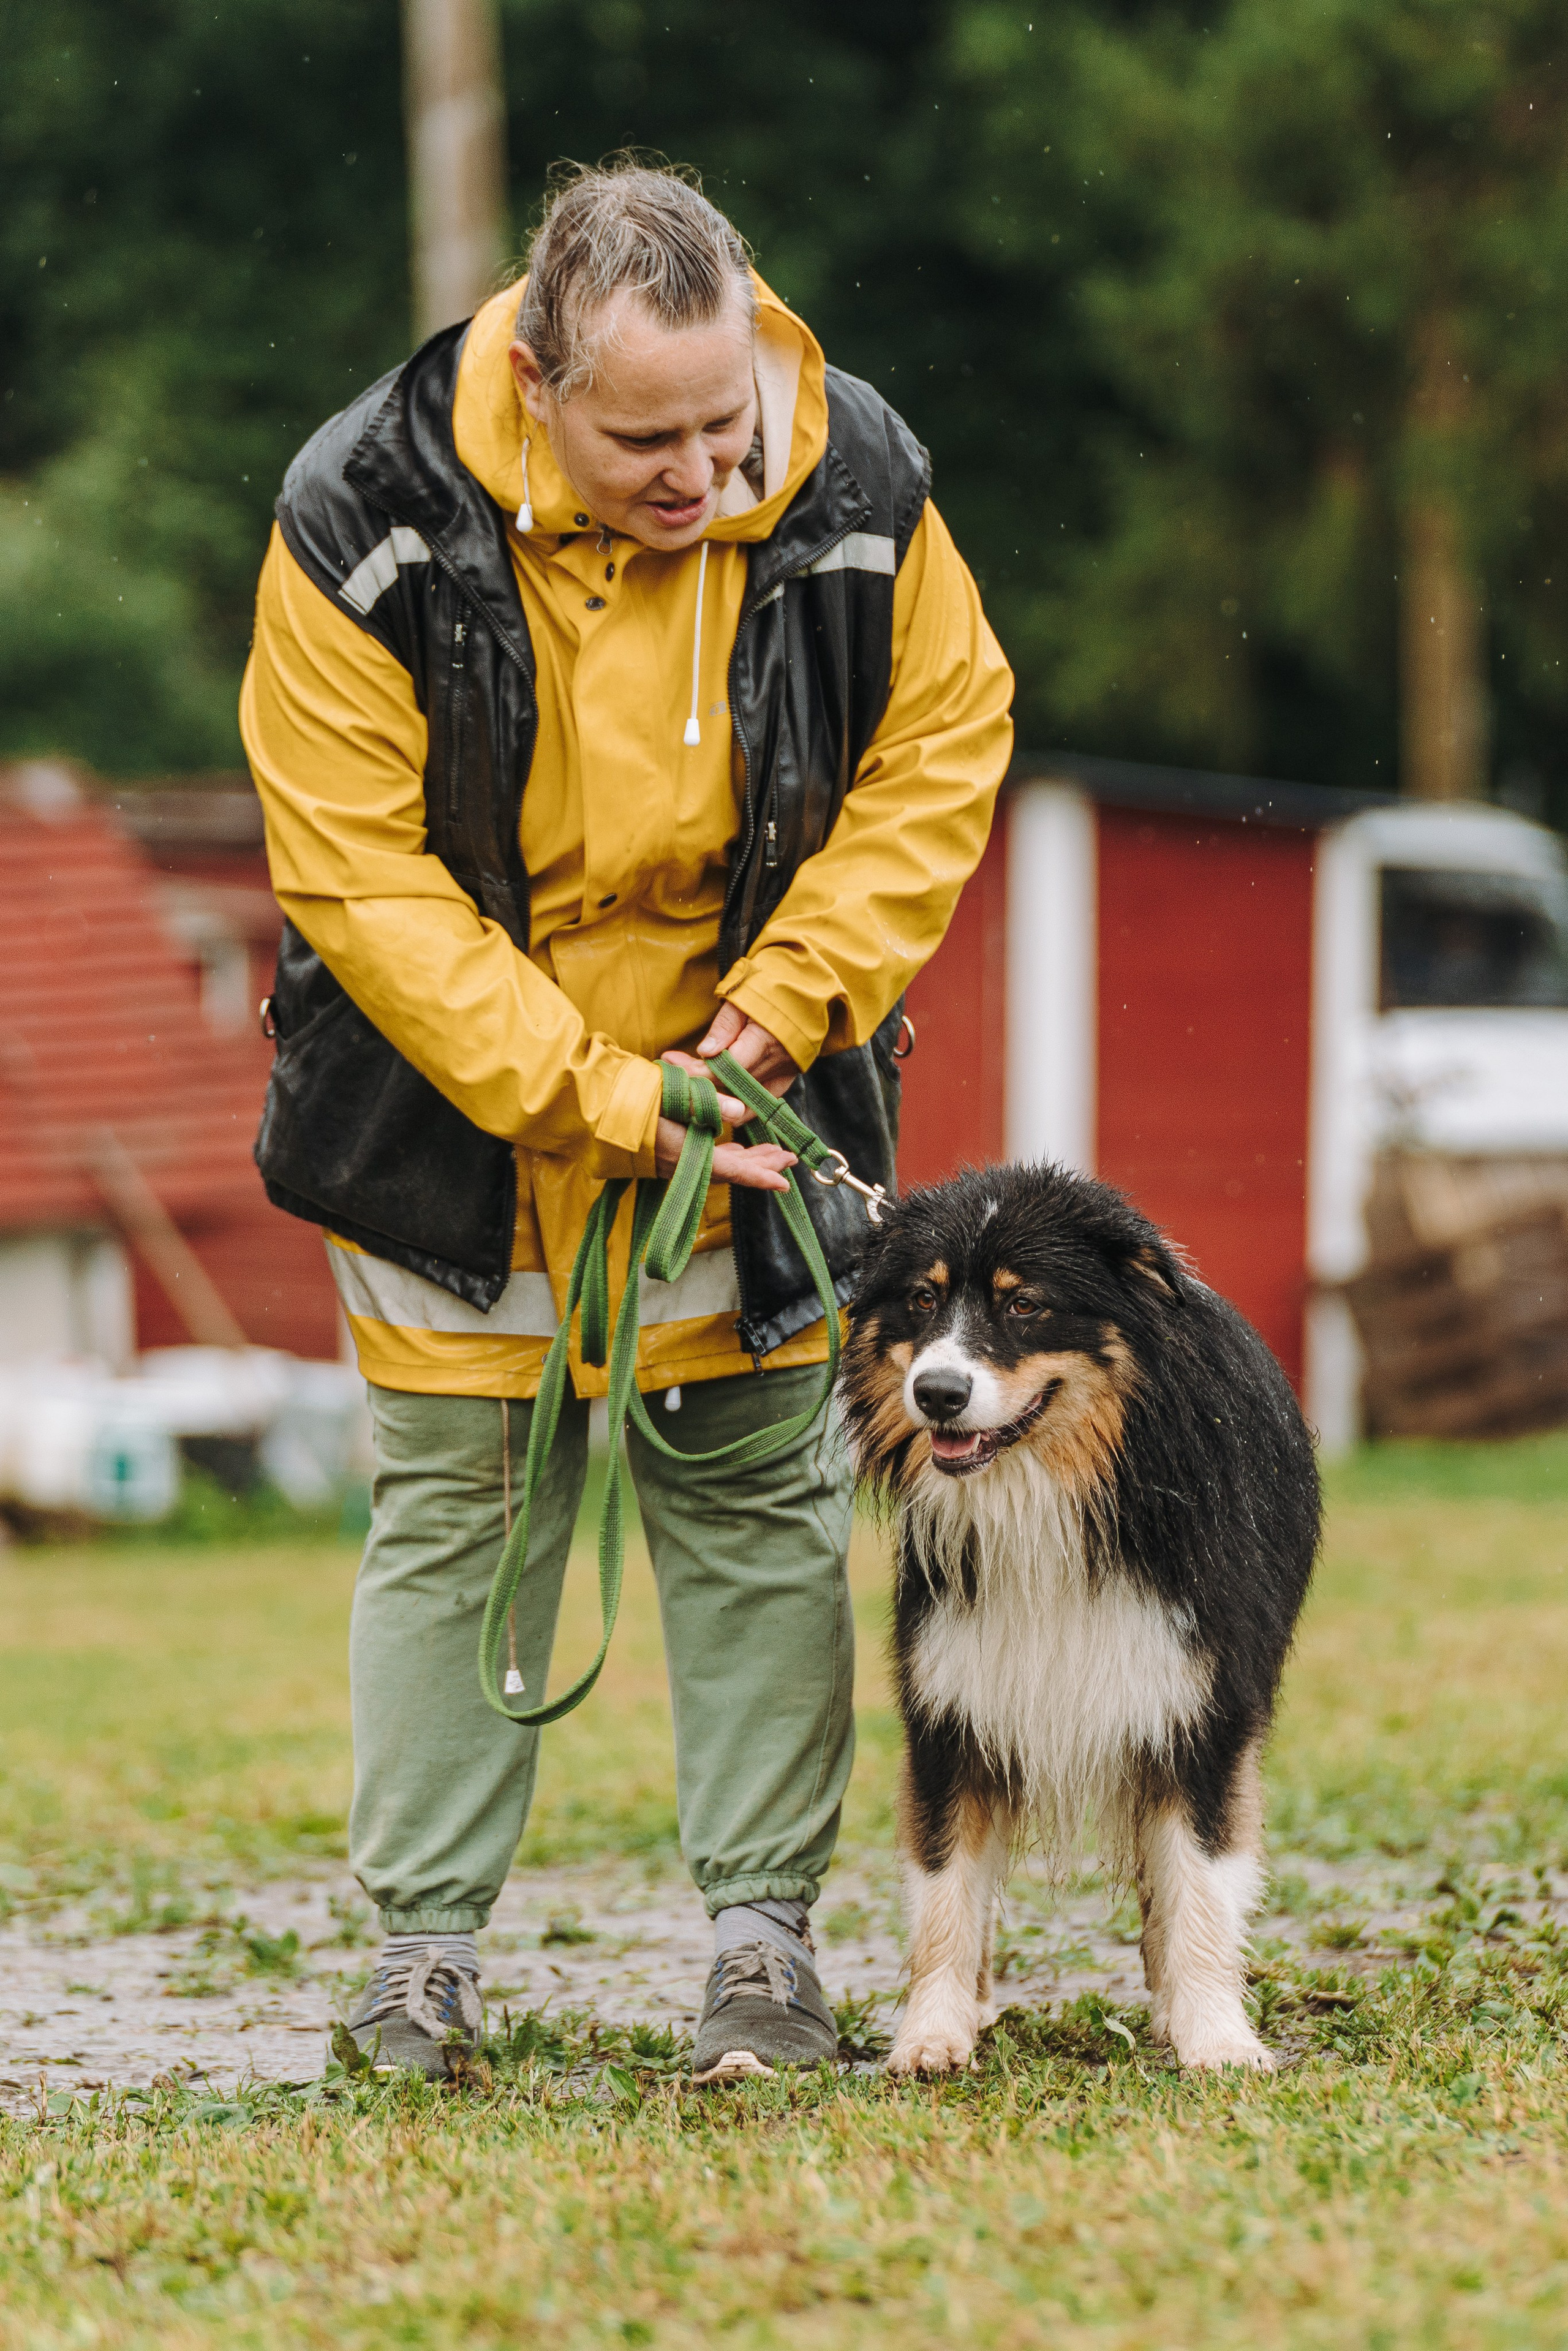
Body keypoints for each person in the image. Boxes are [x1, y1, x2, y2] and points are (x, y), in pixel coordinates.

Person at [241, 159, 1013, 2082]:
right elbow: (365, 888)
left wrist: (799, 985)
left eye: (724, 423)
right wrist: (606, 1101)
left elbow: (945, 742)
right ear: (537, 371)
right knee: (462, 1518)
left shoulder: (860, 480)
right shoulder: (361, 511)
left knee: (759, 1511)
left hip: (757, 1101)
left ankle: (765, 1955)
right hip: (457, 1123)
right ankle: (418, 1962)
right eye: (645, 436)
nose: (700, 472)